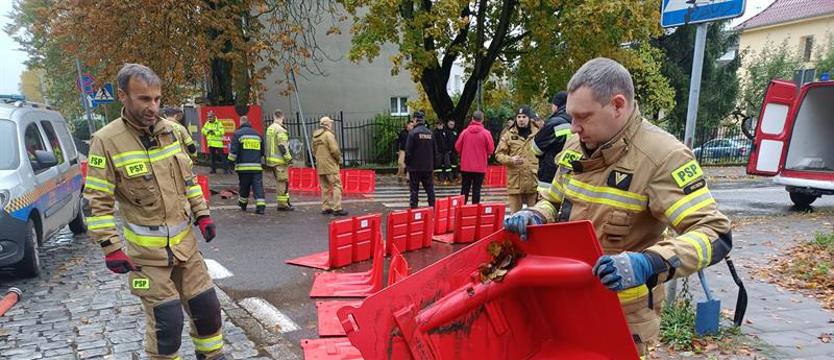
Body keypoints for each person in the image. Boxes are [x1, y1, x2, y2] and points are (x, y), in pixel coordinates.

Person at [503, 58, 732, 356]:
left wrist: (649, 263)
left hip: (624, 317)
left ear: (618, 105)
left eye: (583, 117)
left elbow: (715, 233)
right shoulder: (575, 147)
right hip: (566, 304)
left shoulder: (663, 157)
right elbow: (556, 200)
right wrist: (535, 213)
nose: (574, 128)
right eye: (571, 117)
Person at [84, 63, 225, 360]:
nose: (153, 107)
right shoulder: (106, 141)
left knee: (208, 309)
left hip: (185, 247)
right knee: (167, 321)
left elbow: (188, 180)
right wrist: (110, 247)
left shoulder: (171, 132)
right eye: (144, 99)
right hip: (146, 259)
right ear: (123, 96)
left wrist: (202, 214)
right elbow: (97, 201)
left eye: (157, 99)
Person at [495, 106, 540, 213]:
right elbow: (498, 154)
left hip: (533, 180)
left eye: (524, 117)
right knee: (515, 216)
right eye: (518, 117)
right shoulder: (509, 135)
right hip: (515, 181)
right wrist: (510, 159)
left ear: (529, 118)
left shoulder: (538, 133)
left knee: (535, 214)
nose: (521, 119)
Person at [532, 91, 572, 191]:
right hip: (572, 175)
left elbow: (535, 148)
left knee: (547, 205)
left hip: (550, 176)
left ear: (556, 105)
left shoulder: (554, 123)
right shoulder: (579, 120)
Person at [227, 115, 266, 214]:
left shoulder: (237, 134)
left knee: (244, 186)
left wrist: (230, 164)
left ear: (240, 123)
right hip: (257, 167)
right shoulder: (258, 135)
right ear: (249, 123)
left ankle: (243, 205)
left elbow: (233, 152)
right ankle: (261, 207)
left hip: (243, 168)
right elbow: (262, 152)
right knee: (258, 186)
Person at [455, 111, 494, 204]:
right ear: (482, 120)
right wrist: (486, 154)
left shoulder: (465, 132)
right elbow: (491, 149)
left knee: (464, 189)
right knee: (477, 189)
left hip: (466, 166)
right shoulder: (486, 133)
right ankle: (475, 210)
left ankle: (462, 208)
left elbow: (457, 147)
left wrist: (463, 154)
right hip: (480, 167)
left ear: (472, 118)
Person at [313, 116, 348, 216]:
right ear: (327, 124)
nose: (331, 124)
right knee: (337, 185)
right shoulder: (328, 135)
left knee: (325, 187)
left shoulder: (315, 137)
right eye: (330, 123)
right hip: (330, 165)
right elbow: (335, 150)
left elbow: (313, 151)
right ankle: (337, 208)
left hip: (320, 165)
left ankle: (326, 207)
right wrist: (339, 160)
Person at [405, 111, 436, 208]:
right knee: (430, 189)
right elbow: (435, 151)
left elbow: (408, 151)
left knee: (414, 190)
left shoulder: (412, 133)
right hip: (428, 167)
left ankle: (414, 209)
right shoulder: (430, 133)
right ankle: (432, 207)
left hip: (415, 168)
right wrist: (433, 165)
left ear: (415, 120)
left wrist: (408, 164)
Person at [265, 110, 294, 211]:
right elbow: (282, 146)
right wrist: (289, 158)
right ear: (282, 117)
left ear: (274, 116)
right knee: (282, 182)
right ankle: (282, 204)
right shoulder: (280, 130)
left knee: (280, 181)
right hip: (280, 161)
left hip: (271, 161)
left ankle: (285, 202)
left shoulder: (270, 128)